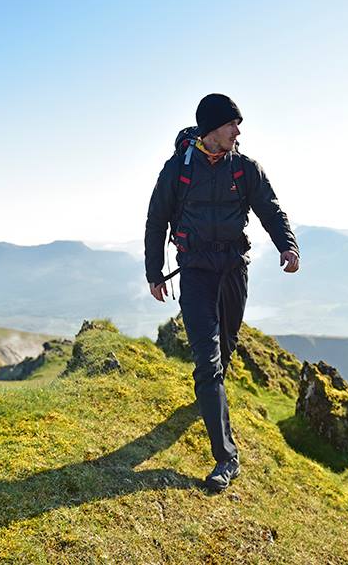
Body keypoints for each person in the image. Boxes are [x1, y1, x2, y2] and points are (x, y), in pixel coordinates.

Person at [144, 93, 300, 491]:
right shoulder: (178, 170)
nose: (238, 130)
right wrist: (154, 272)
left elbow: (270, 209)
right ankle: (226, 459)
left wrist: (288, 245)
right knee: (208, 362)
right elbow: (156, 220)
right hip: (195, 271)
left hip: (234, 269)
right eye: (232, 124)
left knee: (226, 346)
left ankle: (211, 401)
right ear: (211, 128)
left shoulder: (245, 169)